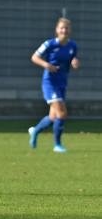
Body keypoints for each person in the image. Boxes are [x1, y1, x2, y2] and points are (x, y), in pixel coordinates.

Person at [28, 17, 79, 153]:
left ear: (70, 30)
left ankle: (35, 131)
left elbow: (72, 58)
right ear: (57, 30)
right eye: (62, 28)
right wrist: (47, 65)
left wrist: (74, 62)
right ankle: (57, 145)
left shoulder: (73, 46)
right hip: (49, 83)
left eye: (66, 28)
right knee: (62, 113)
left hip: (62, 83)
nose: (64, 30)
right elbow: (34, 57)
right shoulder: (49, 44)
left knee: (53, 117)